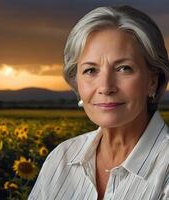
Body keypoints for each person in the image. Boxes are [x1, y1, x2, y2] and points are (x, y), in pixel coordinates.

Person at [29, 5, 169, 200]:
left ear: (152, 81)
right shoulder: (61, 159)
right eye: (90, 70)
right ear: (76, 82)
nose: (105, 87)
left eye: (124, 68)